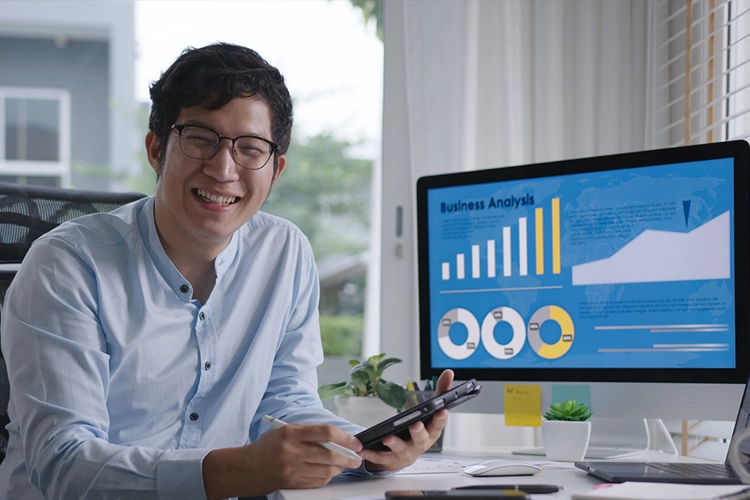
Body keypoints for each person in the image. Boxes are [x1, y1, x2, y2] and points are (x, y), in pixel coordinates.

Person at [0, 43, 453, 500]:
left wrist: (366, 448)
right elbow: (63, 462)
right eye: (200, 138)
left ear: (275, 171)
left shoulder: (286, 253)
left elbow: (285, 404)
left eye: (250, 148)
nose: (222, 168)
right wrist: (231, 472)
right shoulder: (65, 265)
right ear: (157, 150)